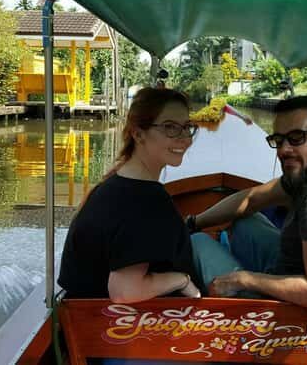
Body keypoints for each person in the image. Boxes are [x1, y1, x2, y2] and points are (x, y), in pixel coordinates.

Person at [187, 96, 307, 312]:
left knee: (198, 241)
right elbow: (251, 199)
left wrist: (244, 279)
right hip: (293, 273)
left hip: (306, 317)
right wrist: (193, 222)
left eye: (296, 138)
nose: (284, 150)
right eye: (278, 140)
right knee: (244, 218)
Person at [58, 87, 202, 301]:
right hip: (113, 317)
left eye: (187, 127)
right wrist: (182, 280)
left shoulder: (117, 183)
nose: (184, 138)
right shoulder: (146, 200)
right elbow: (125, 291)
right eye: (170, 127)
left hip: (87, 305)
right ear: (138, 134)